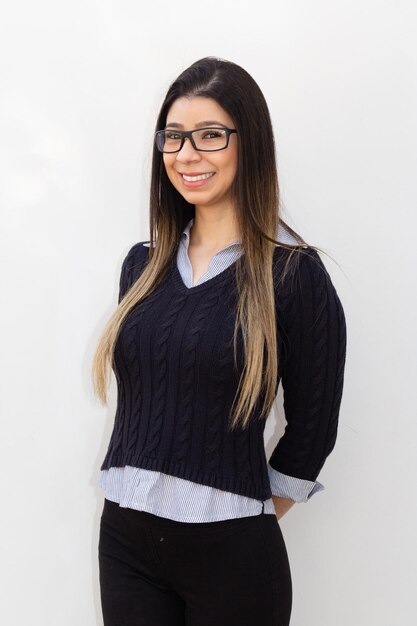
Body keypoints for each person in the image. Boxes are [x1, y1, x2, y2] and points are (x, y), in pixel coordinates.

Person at [91, 56, 347, 626]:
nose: (187, 155)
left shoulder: (294, 276)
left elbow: (313, 429)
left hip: (231, 555)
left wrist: (239, 513)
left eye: (210, 136)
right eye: (175, 138)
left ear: (248, 143)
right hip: (126, 543)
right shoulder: (143, 267)